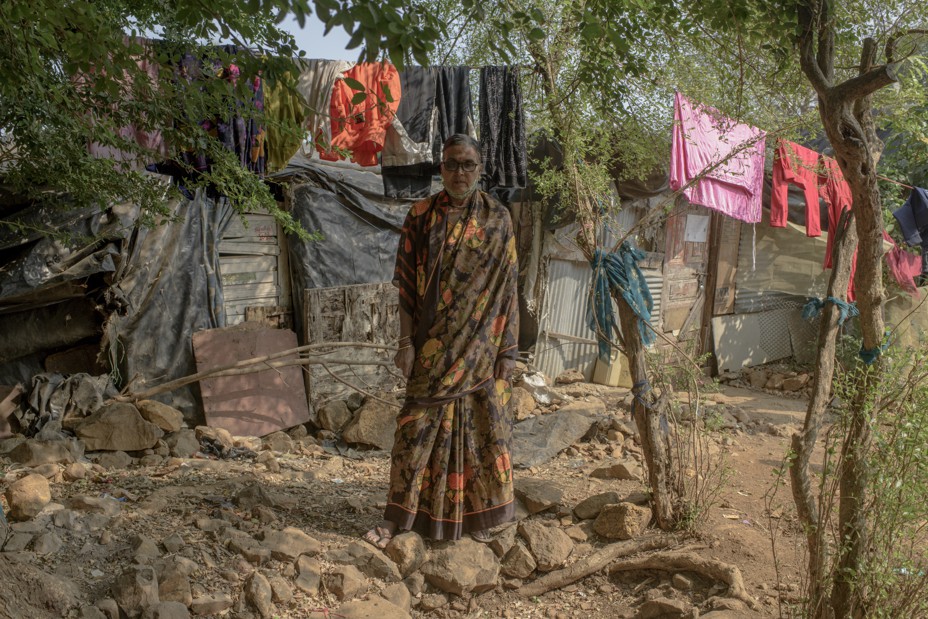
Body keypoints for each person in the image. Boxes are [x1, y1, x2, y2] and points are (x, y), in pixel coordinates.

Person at [364, 133, 519, 547]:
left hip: (481, 349)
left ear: (481, 168)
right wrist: (404, 343)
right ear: (441, 168)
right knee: (413, 431)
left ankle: (476, 518)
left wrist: (508, 349)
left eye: (468, 164)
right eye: (451, 164)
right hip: (430, 347)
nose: (459, 173)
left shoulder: (498, 219)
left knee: (479, 431)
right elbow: (405, 288)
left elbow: (508, 289)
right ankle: (398, 516)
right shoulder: (420, 215)